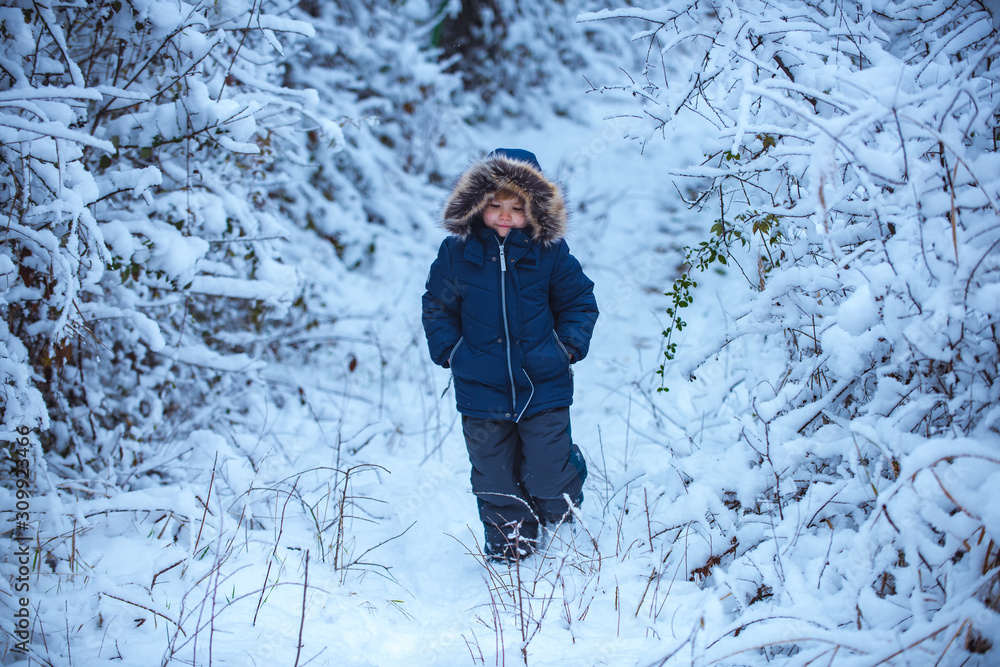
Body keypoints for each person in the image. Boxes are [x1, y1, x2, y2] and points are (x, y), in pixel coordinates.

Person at [422, 148, 599, 562]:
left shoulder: (549, 253)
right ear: (477, 205)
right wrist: (452, 352)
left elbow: (579, 301)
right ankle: (510, 552)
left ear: (535, 210)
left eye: (517, 208)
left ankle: (562, 522)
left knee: (548, 472)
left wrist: (566, 346)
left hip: (543, 383)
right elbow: (437, 305)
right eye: (495, 205)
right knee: (494, 476)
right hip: (480, 390)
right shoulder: (457, 253)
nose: (505, 216)